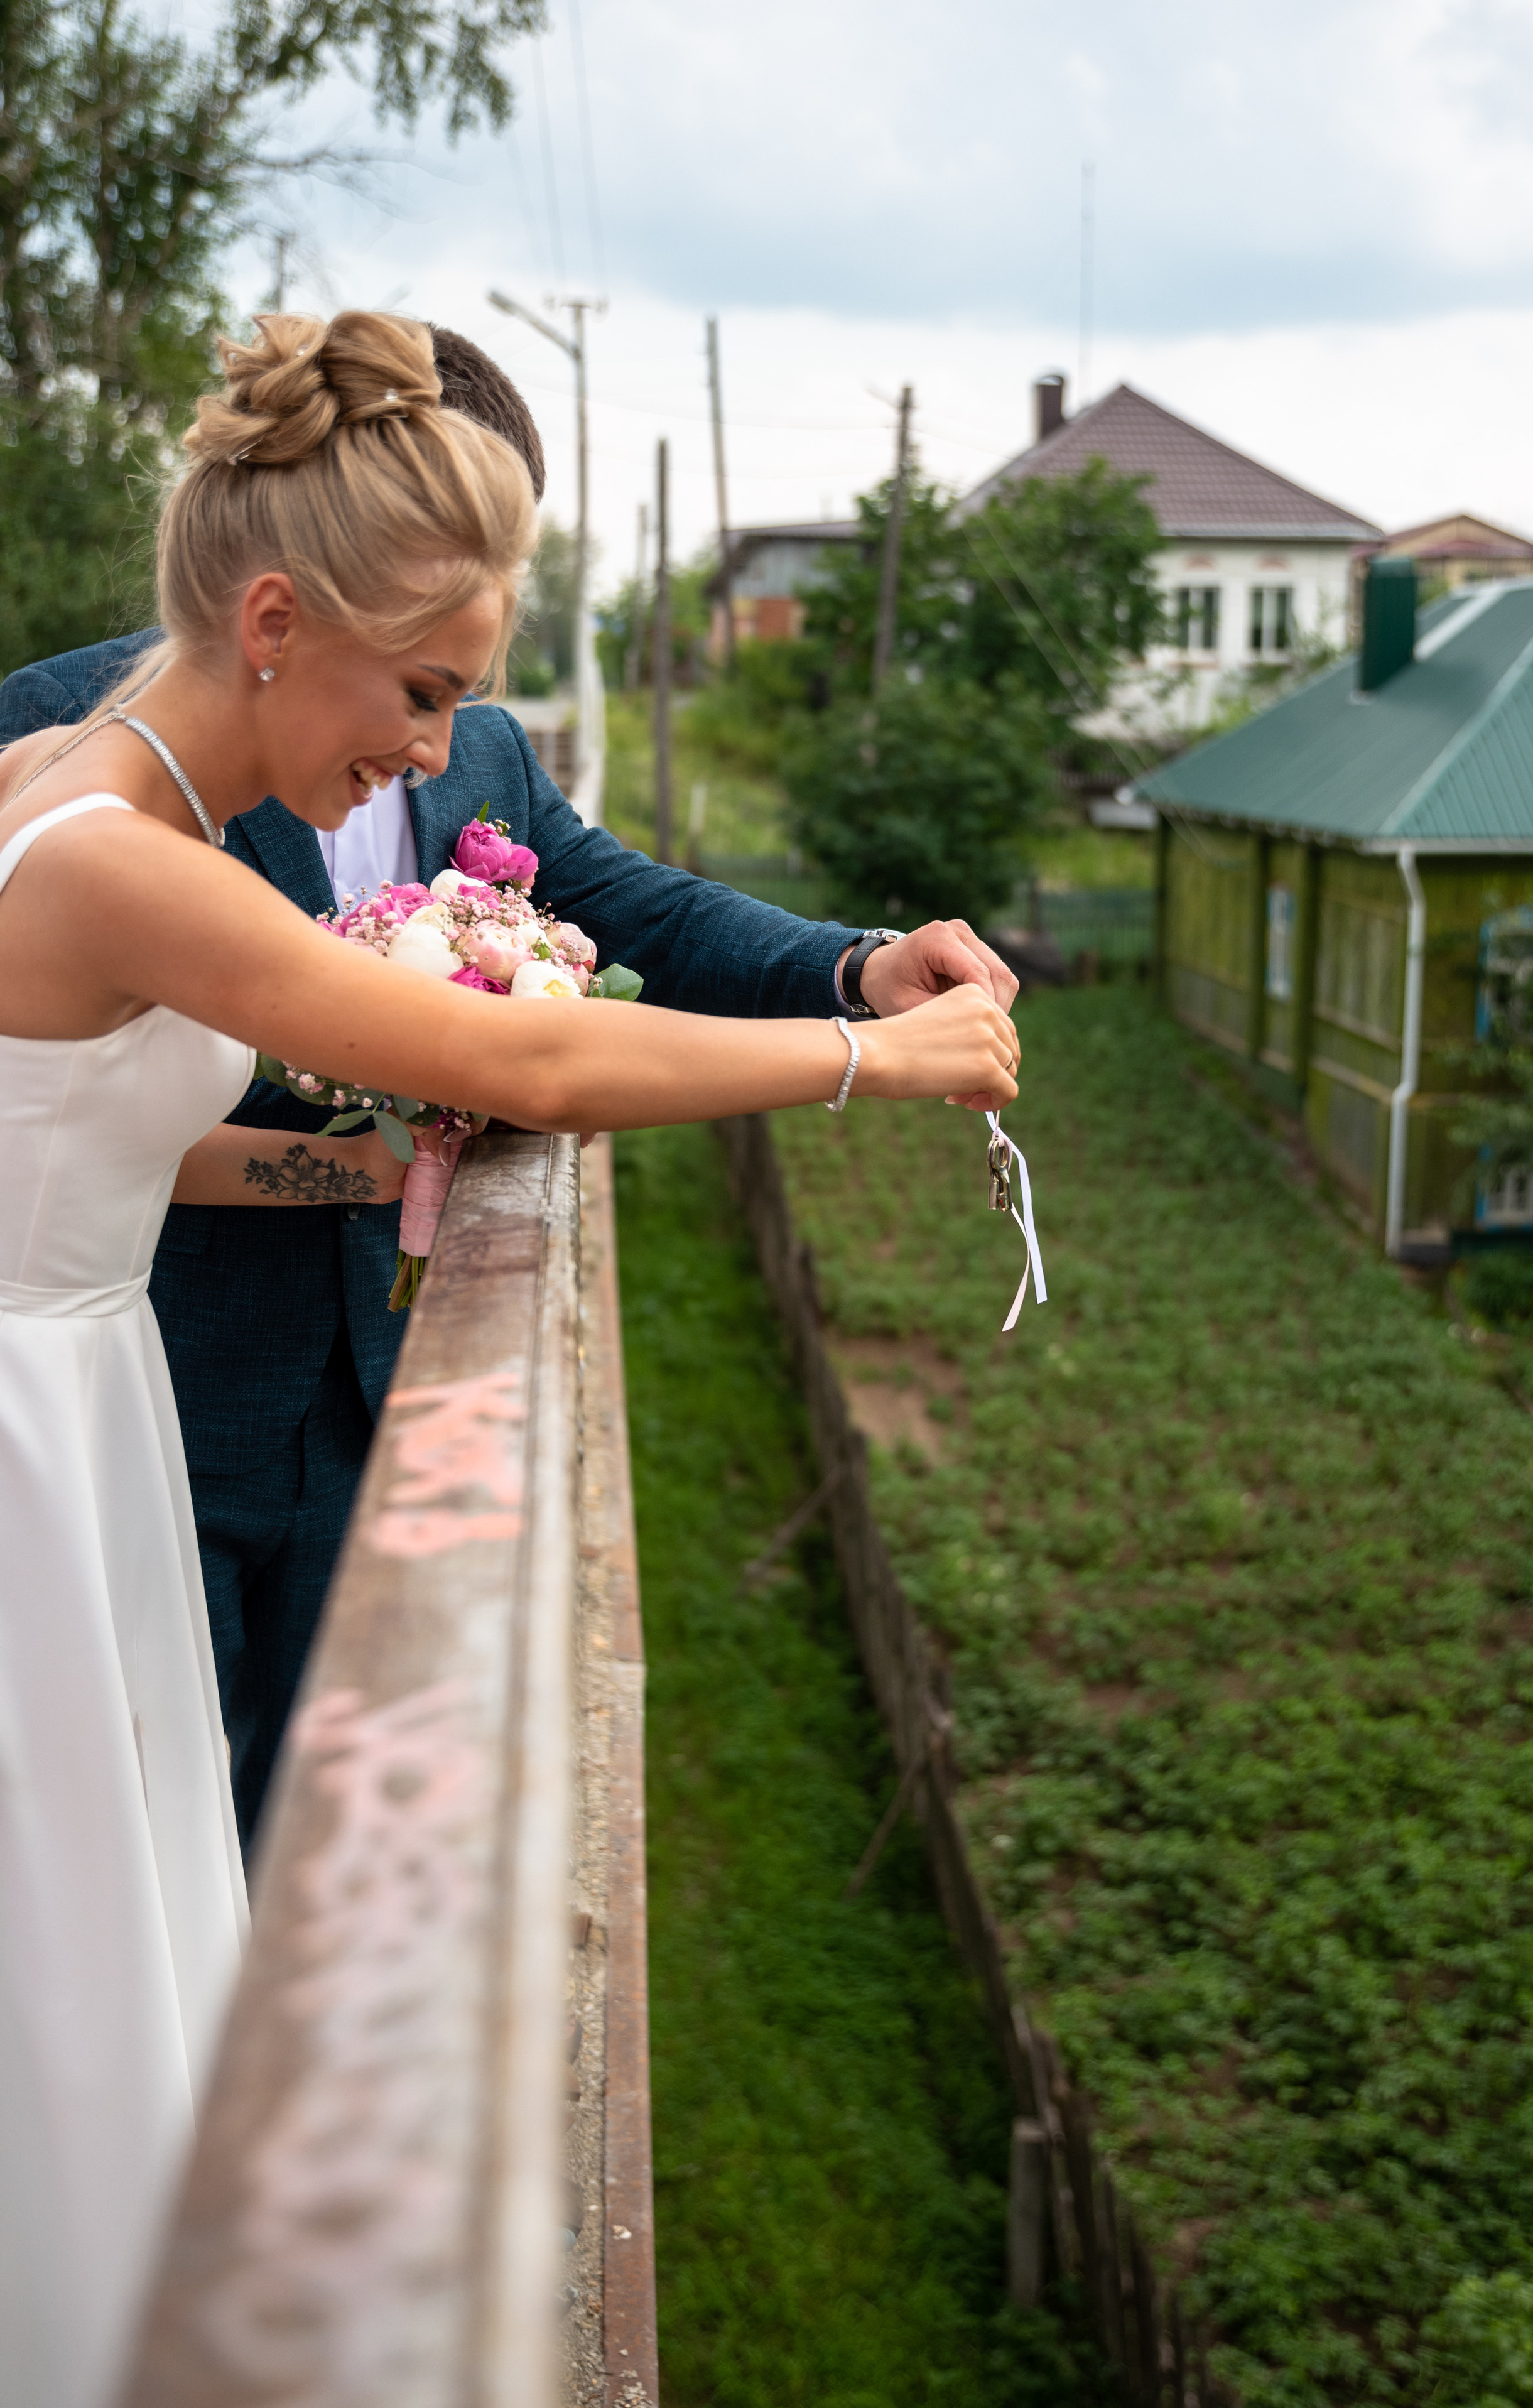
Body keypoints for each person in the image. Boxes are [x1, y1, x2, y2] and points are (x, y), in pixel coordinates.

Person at [0, 306, 1019, 2408]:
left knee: (122, 1961)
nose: (437, 742)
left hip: (70, 1394)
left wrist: (353, 1175)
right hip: (63, 1434)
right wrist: (870, 1055)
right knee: (78, 1987)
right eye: (429, 691)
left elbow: (122, 1137)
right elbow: (523, 1040)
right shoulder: (110, 841)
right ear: (276, 615)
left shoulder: (76, 800)